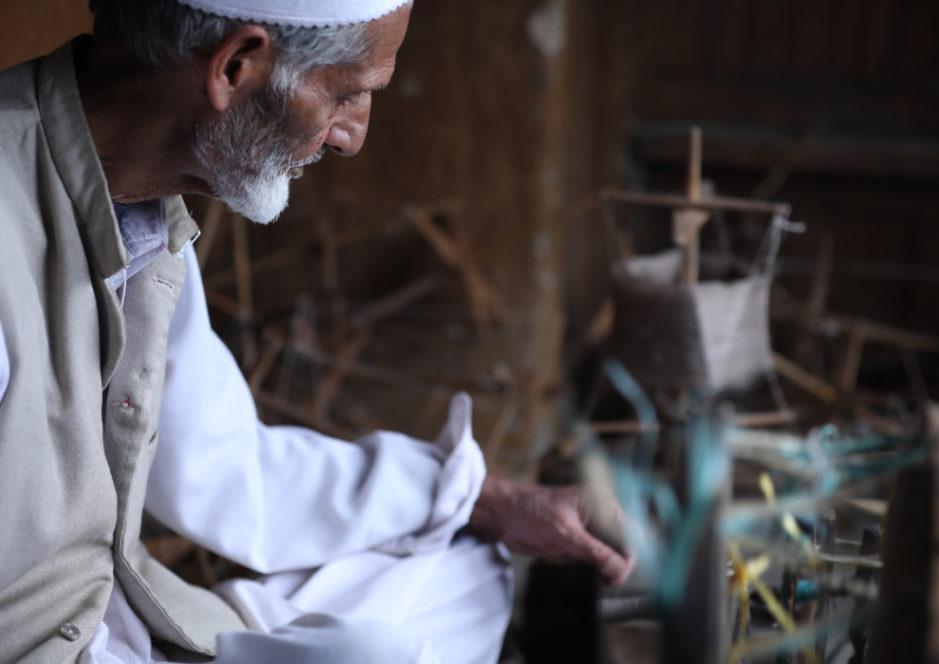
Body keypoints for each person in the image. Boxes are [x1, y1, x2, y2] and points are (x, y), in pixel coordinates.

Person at [0, 0, 633, 662]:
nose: (352, 135)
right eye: (347, 93)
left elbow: (226, 464)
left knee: (471, 576)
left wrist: (487, 501)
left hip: (133, 618)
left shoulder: (142, 206)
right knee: (368, 655)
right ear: (237, 66)